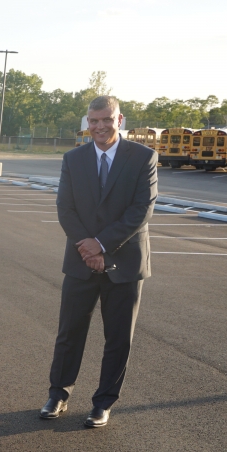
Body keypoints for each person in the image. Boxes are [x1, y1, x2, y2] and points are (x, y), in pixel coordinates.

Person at [40, 95, 157, 428]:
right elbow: (66, 208)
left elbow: (142, 210)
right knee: (69, 333)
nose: (100, 126)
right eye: (94, 121)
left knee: (118, 337)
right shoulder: (73, 159)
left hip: (125, 263)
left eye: (107, 120)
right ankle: (57, 395)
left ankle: (103, 403)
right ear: (87, 123)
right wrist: (89, 250)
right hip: (81, 260)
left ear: (119, 120)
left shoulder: (143, 157)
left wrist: (102, 245)